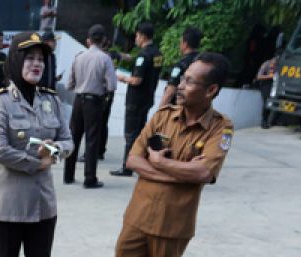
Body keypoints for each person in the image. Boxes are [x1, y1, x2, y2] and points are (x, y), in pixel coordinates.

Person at [109, 53, 234, 257]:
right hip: (138, 216)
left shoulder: (220, 128)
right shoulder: (162, 116)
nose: (180, 85)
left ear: (211, 90)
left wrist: (159, 162)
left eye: (189, 81)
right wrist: (179, 172)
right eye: (182, 79)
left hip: (173, 225)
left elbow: (203, 173)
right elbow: (133, 159)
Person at [0, 32, 73, 257]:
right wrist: (37, 163)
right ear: (16, 60)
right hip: (6, 209)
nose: (37, 64)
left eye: (41, 59)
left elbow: (67, 140)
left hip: (42, 208)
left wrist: (54, 149)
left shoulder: (51, 100)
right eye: (30, 58)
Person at [63, 25, 115, 189]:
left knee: (74, 137)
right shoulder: (105, 58)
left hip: (79, 100)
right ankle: (89, 178)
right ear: (104, 40)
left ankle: (68, 176)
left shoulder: (79, 57)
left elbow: (69, 84)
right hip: (95, 101)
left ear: (89, 39)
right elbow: (112, 85)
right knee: (92, 140)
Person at [111, 22, 163, 178]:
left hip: (135, 100)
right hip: (148, 98)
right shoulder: (157, 54)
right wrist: (122, 56)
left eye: (137, 35)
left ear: (143, 36)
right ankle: (146, 161)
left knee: (131, 135)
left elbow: (136, 80)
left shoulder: (143, 55)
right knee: (142, 132)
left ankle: (127, 167)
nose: (135, 38)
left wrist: (121, 78)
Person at [159, 27, 202, 107]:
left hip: (177, 109)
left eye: (181, 41)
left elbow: (170, 91)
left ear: (185, 44)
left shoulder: (181, 65)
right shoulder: (202, 62)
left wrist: (159, 112)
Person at [256, 55, 277, 129]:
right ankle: (263, 121)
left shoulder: (279, 65)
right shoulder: (266, 64)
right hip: (266, 83)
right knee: (266, 102)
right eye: (274, 63)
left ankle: (271, 121)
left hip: (275, 84)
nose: (275, 65)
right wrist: (270, 76)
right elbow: (259, 77)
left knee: (273, 103)